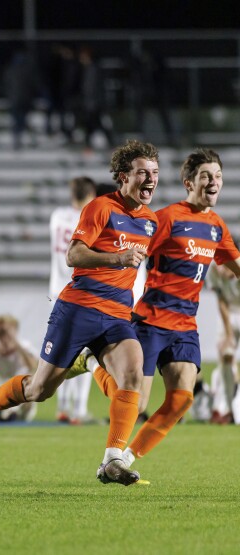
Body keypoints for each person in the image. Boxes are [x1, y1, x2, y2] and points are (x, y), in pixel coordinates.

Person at [0, 139, 161, 487]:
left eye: (155, 173)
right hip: (78, 309)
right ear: (124, 177)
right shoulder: (101, 208)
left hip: (116, 315)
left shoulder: (150, 221)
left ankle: (112, 460)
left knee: (133, 380)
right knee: (39, 390)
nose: (151, 179)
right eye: (143, 172)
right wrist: (116, 258)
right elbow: (74, 256)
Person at [77, 149, 240, 470]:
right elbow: (131, 251)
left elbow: (235, 265)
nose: (214, 182)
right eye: (206, 176)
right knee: (131, 400)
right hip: (151, 321)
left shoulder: (216, 226)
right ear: (188, 182)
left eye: (218, 176)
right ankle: (94, 363)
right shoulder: (168, 219)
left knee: (182, 399)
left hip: (185, 325)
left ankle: (124, 459)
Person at [50, 177, 98, 424]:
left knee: (61, 349)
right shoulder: (90, 218)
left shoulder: (57, 217)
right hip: (80, 291)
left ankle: (61, 406)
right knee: (88, 350)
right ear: (91, 194)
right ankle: (78, 409)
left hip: (56, 291)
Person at [207, 263, 240, 423]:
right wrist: (228, 334)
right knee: (226, 355)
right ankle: (227, 407)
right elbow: (221, 300)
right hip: (229, 313)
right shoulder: (213, 269)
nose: (221, 270)